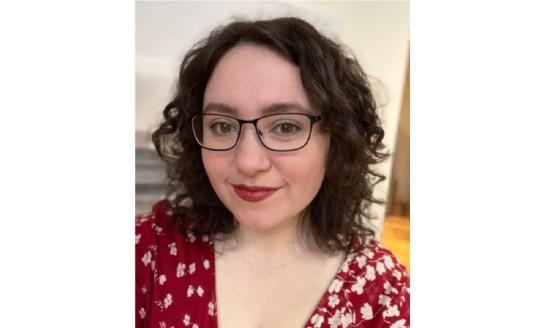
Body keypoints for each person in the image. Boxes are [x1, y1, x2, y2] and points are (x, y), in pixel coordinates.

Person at [136, 17, 409, 328]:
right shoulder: (146, 252)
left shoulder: (382, 296)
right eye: (222, 126)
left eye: (285, 126)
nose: (248, 162)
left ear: (337, 139)